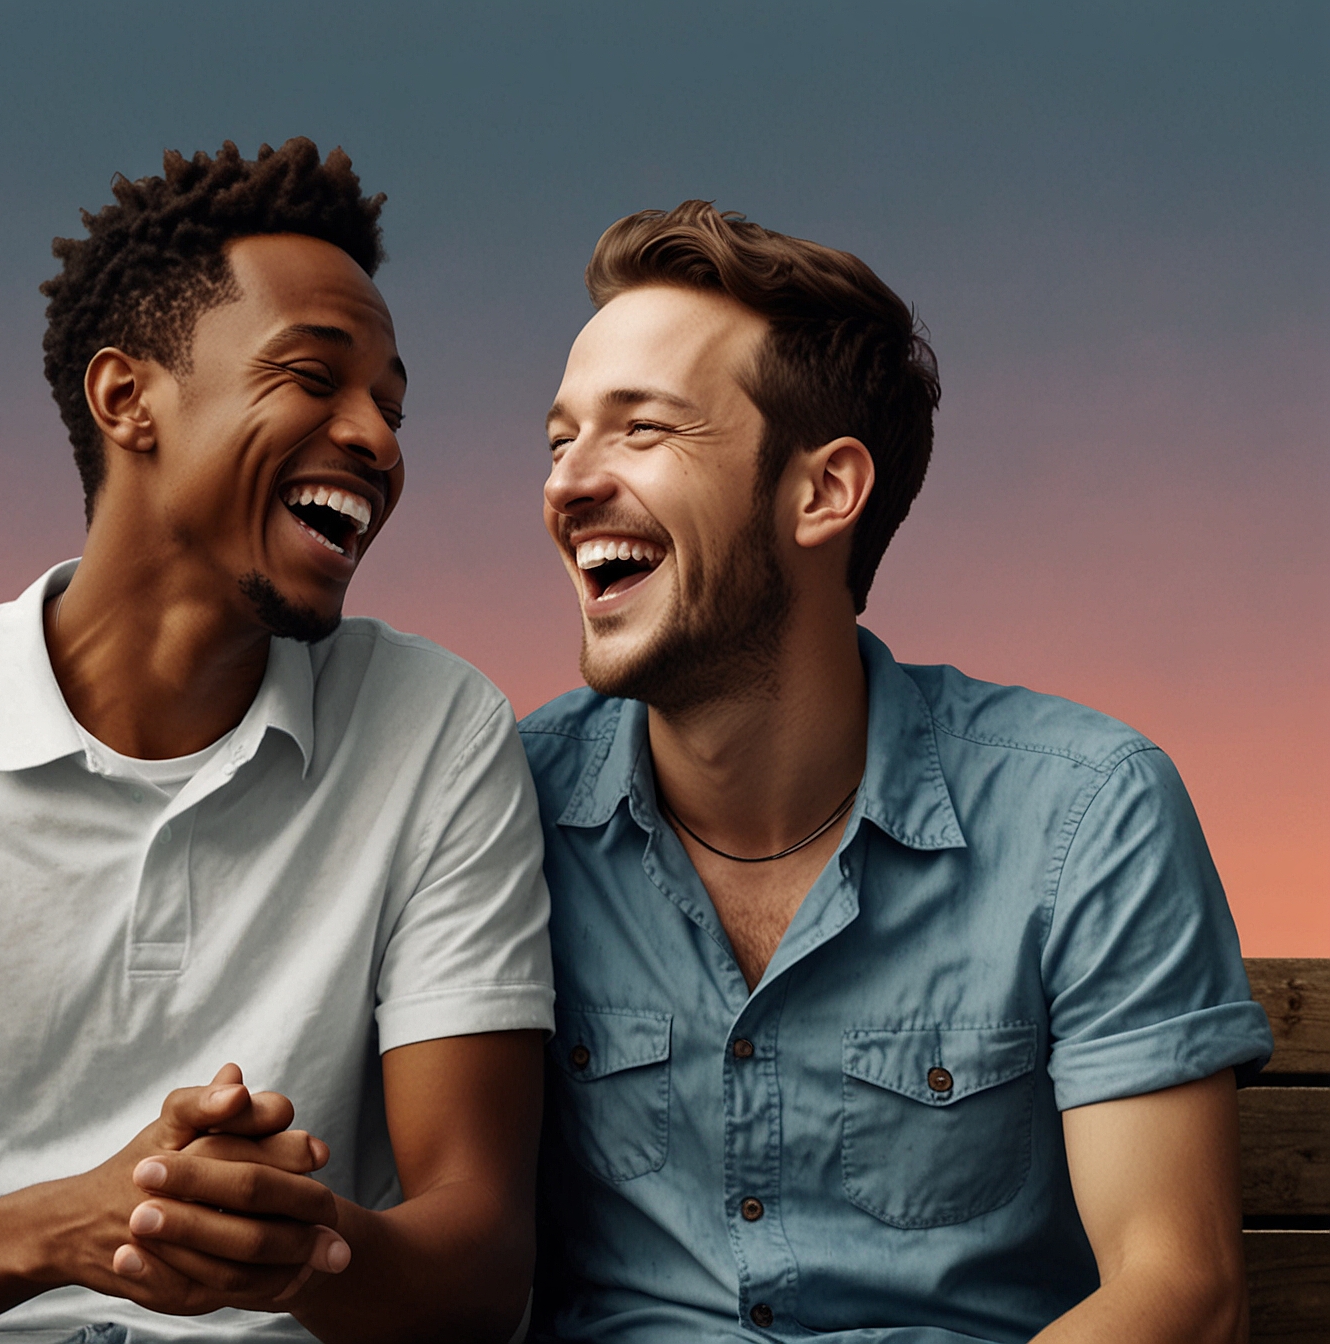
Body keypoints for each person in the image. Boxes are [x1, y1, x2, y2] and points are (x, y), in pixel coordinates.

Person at [0, 139, 553, 1344]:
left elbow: (481, 1263)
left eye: (391, 408)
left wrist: (283, 1240)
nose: (378, 440)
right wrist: (69, 1227)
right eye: (313, 378)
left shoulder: (436, 731)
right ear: (127, 399)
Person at [521, 201, 1272, 1343]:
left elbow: (1179, 1289)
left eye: (642, 431)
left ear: (823, 492)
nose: (568, 485)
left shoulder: (1086, 812)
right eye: (560, 437)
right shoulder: (500, 808)